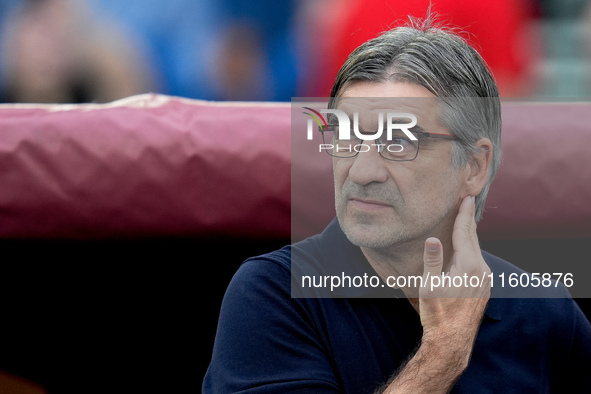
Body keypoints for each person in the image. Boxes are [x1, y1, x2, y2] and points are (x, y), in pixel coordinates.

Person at [203, 15, 591, 393]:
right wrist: (443, 353)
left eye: (400, 141)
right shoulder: (271, 295)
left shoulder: (545, 312)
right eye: (347, 137)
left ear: (474, 167)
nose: (361, 171)